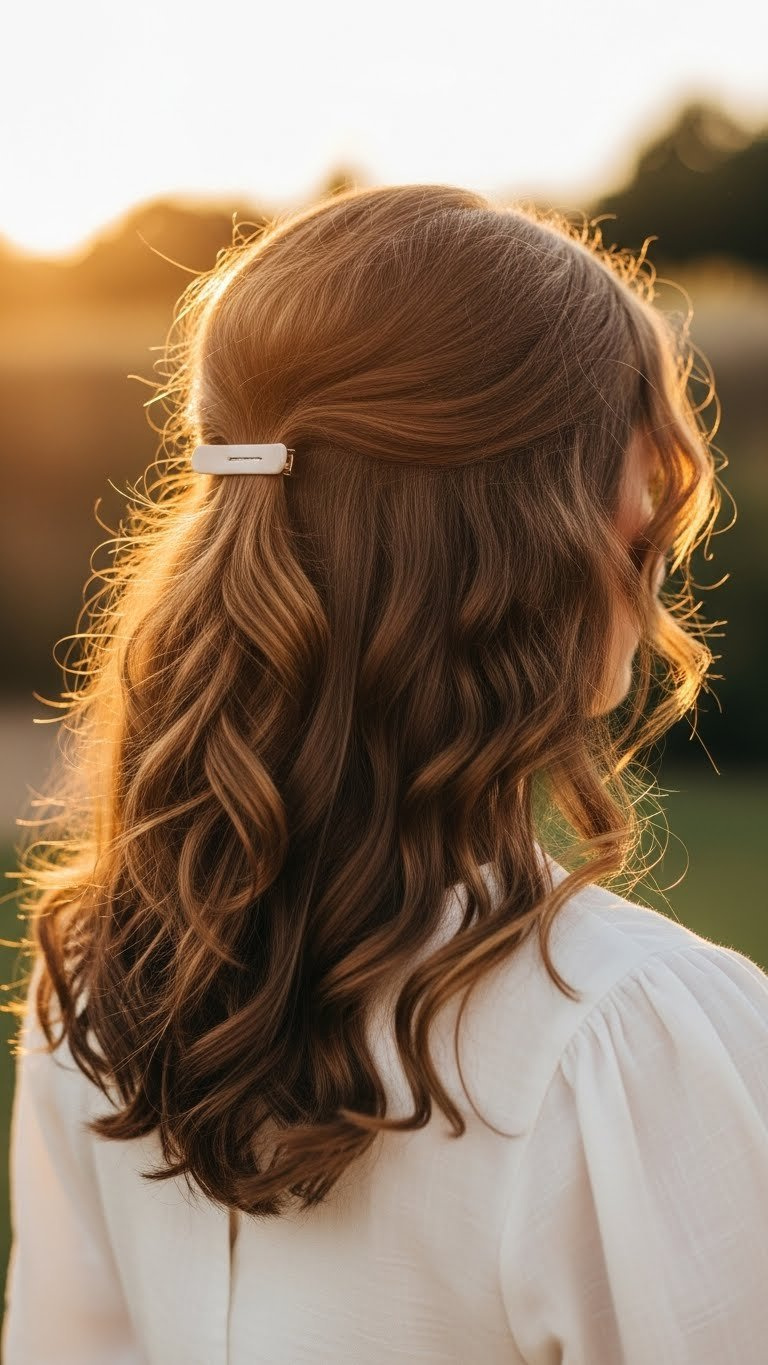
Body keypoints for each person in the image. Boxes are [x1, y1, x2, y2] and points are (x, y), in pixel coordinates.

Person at [3, 183, 767, 1364]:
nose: (655, 508)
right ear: (528, 531)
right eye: (635, 468)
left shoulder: (100, 989)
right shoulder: (622, 1039)